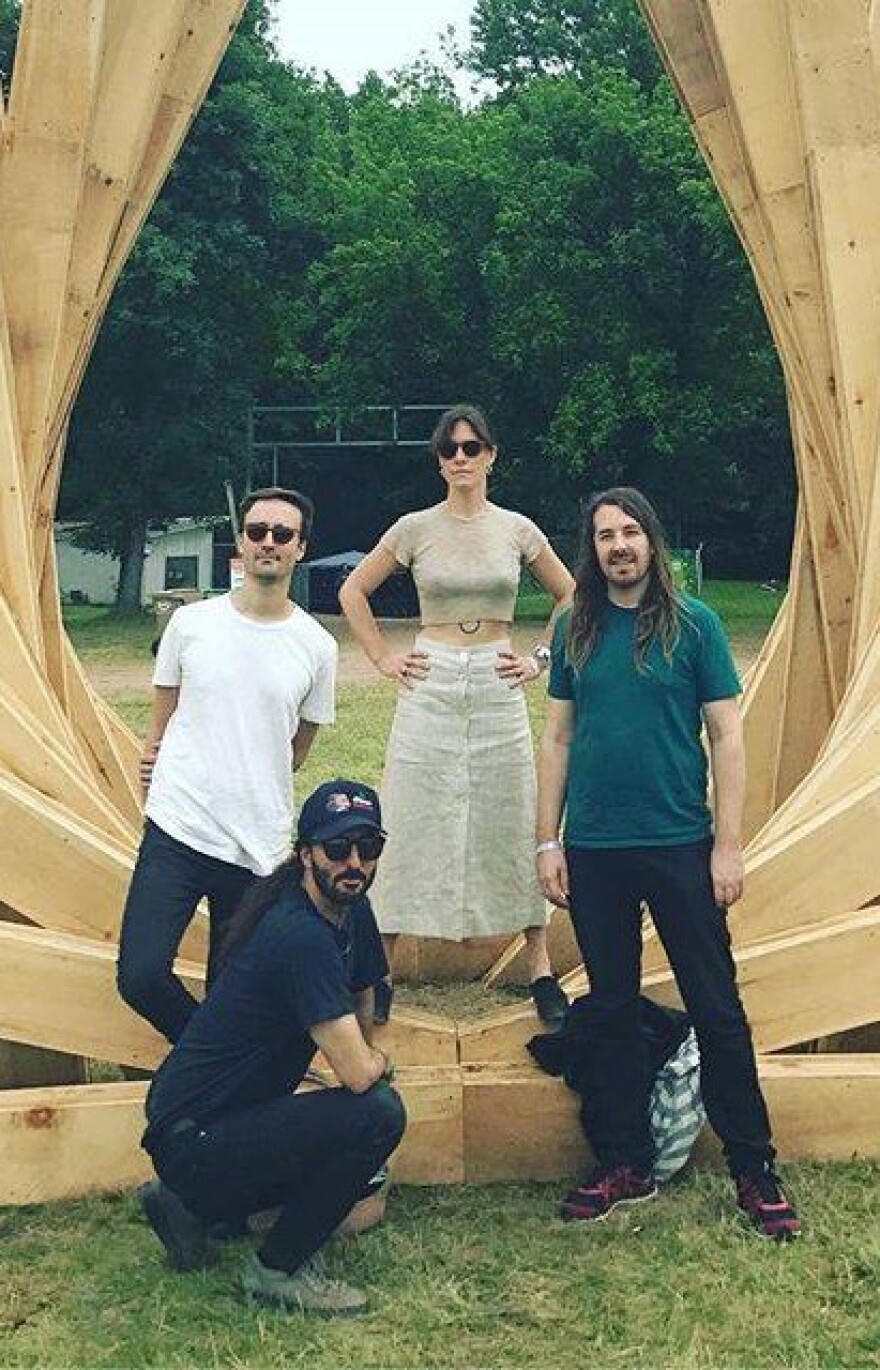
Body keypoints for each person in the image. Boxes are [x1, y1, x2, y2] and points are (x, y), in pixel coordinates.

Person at [536, 486, 800, 1240]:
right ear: (591, 550)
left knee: (717, 1010)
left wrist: (728, 842)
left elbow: (728, 737)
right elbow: (557, 739)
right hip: (595, 850)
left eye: (629, 533)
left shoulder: (695, 627)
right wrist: (546, 840)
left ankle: (754, 1167)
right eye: (603, 536)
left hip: (681, 844)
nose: (617, 546)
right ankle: (624, 1161)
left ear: (652, 541)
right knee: (611, 1012)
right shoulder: (576, 628)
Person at [340, 404, 575, 1026]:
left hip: (498, 676)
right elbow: (352, 590)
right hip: (434, 673)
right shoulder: (415, 527)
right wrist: (384, 658)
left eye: (472, 447)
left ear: (491, 455)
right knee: (414, 811)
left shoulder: (517, 529)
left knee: (512, 809)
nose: (461, 458)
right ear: (440, 460)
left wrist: (539, 658)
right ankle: (381, 969)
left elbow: (571, 593)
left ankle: (540, 964)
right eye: (450, 449)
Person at [138, 778, 406, 1316]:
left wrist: (363, 1054)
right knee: (378, 1114)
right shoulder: (299, 936)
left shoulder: (350, 908)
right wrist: (372, 1066)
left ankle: (191, 1207)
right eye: (336, 849)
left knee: (359, 1143)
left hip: (206, 1119)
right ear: (306, 853)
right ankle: (276, 1269)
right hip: (194, 1138)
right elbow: (358, 1077)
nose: (354, 862)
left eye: (368, 848)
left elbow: (364, 988)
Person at [117, 486, 337, 1043]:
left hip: (255, 845)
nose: (268, 542)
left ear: (301, 549)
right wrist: (157, 761)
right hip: (179, 828)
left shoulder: (315, 645)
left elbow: (299, 746)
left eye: (281, 535)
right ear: (241, 543)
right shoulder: (192, 624)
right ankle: (204, 1054)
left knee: (230, 990)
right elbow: (162, 719)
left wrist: (250, 777)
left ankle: (208, 1092)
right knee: (140, 976)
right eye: (257, 531)